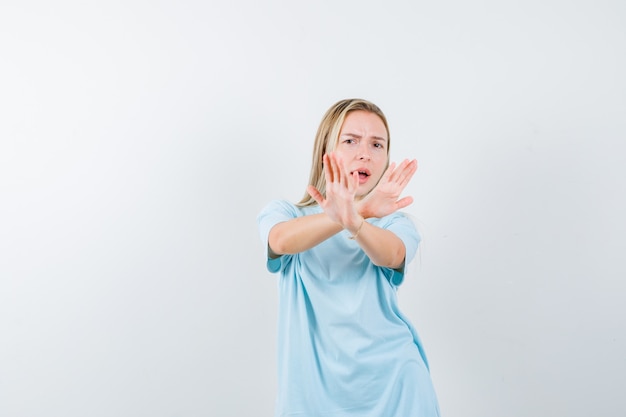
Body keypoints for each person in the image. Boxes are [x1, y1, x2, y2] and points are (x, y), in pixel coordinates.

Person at [257, 98, 440, 416]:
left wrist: (357, 219)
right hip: (311, 398)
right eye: (351, 140)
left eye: (377, 144)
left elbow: (392, 253)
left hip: (397, 390)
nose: (365, 153)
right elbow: (281, 241)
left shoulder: (395, 223)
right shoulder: (285, 214)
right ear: (326, 150)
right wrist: (360, 211)